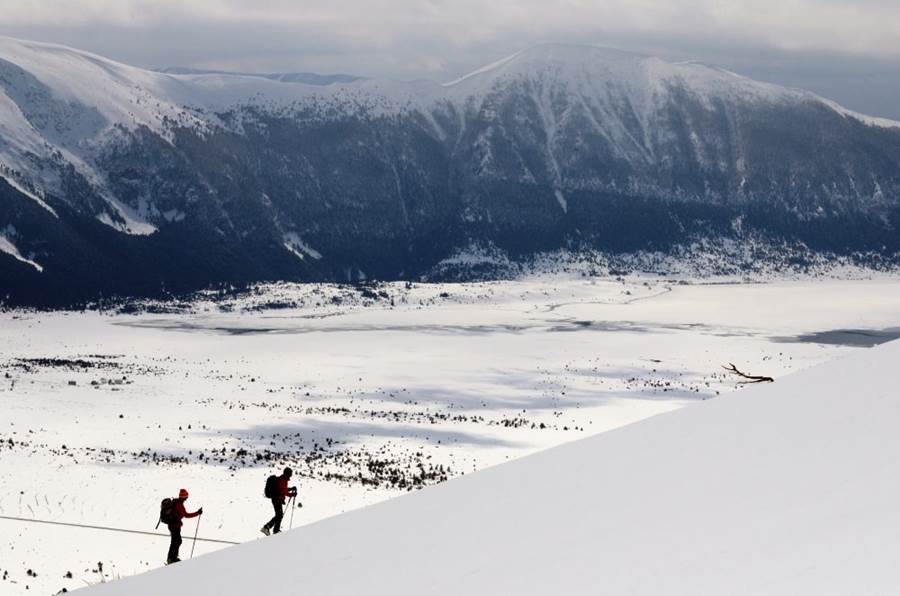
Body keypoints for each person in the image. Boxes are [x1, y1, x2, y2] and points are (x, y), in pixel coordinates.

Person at [167, 488, 202, 564]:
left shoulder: (176, 502)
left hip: (173, 525)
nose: (187, 498)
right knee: (176, 541)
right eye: (186, 497)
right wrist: (197, 513)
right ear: (183, 497)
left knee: (176, 541)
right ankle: (171, 559)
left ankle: (172, 558)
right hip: (175, 526)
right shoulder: (179, 505)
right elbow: (186, 515)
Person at [261, 467, 297, 535]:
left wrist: (291, 489)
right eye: (290, 474)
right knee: (279, 515)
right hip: (277, 499)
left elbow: (283, 489)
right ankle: (267, 527)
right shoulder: (283, 480)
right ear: (287, 474)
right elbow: (284, 492)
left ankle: (275, 530)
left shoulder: (282, 479)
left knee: (279, 515)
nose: (290, 476)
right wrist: (292, 494)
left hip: (276, 499)